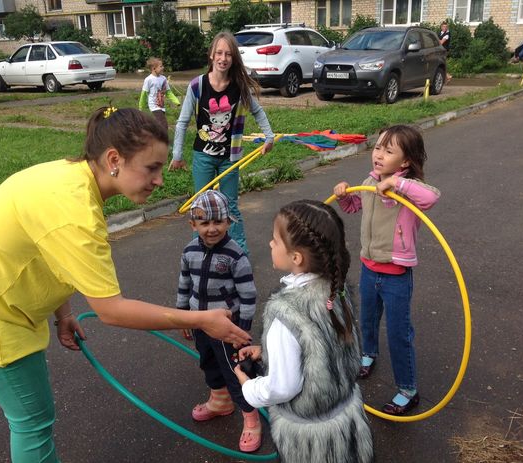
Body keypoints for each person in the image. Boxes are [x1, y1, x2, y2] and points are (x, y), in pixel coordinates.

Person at [0, 106, 251, 463]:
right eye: (151, 168)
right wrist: (201, 320)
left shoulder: (72, 178)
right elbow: (112, 310)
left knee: (34, 419)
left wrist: (63, 313)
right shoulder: (75, 212)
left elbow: (49, 251)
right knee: (32, 423)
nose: (160, 180)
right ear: (114, 159)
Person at [234, 200, 374, 463]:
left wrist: (249, 387)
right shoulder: (335, 291)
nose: (270, 244)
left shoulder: (286, 314)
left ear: (296, 257)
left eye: (275, 240)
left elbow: (282, 387)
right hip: (347, 427)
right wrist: (268, 352)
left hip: (310, 445)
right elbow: (320, 347)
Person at [333, 125, 440, 416]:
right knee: (367, 320)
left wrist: (397, 184)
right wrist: (343, 195)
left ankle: (408, 389)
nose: (379, 154)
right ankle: (368, 355)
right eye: (378, 147)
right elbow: (354, 206)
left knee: (398, 333)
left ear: (405, 162)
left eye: (388, 151)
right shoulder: (370, 181)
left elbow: (432, 197)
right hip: (369, 268)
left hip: (396, 275)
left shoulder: (409, 188)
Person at [169, 31, 275, 255]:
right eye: (219, 53)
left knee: (230, 206)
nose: (223, 58)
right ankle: (199, 254)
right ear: (211, 55)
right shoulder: (197, 86)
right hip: (203, 157)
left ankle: (239, 254)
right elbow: (182, 122)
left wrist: (269, 136)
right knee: (201, 206)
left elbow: (258, 111)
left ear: (233, 58)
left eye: (228, 54)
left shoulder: (239, 87)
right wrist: (177, 155)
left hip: (230, 158)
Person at [175, 189, 261, 452]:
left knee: (235, 371)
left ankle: (251, 418)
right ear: (193, 224)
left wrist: (242, 327)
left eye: (218, 222)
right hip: (200, 322)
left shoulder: (235, 255)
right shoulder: (189, 251)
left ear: (228, 221)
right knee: (208, 363)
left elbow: (248, 294)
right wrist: (183, 316)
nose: (211, 229)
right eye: (204, 223)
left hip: (227, 328)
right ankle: (220, 401)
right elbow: (184, 284)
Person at [138, 57, 180, 132]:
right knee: (164, 125)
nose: (163, 67)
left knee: (158, 124)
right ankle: (163, 138)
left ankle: (149, 133)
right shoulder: (148, 79)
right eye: (161, 66)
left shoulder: (163, 79)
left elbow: (168, 92)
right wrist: (141, 106)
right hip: (154, 106)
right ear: (154, 68)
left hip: (161, 106)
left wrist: (176, 101)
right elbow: (144, 94)